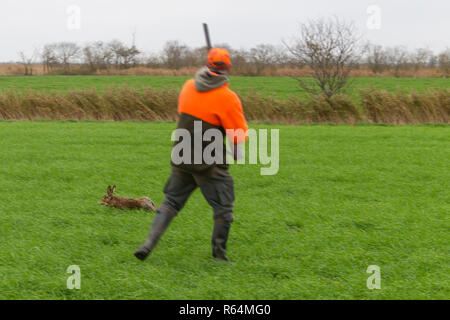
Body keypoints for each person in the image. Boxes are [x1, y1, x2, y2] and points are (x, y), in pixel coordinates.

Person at [134, 48, 248, 262]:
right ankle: (220, 257)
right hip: (209, 163)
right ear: (228, 68)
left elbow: (184, 113)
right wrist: (236, 151)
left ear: (207, 64)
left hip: (182, 155)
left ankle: (148, 244)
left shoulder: (188, 86)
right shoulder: (228, 97)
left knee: (171, 201)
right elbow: (237, 134)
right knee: (224, 207)